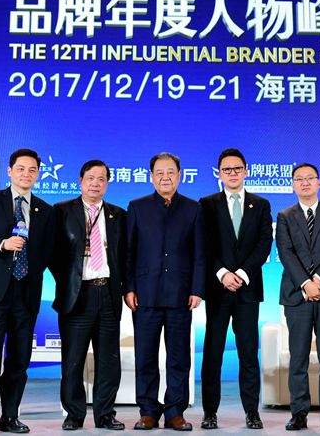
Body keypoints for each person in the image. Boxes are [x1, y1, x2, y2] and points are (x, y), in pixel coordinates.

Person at [0, 149, 55, 435]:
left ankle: (10, 416)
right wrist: (2, 244)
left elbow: (48, 252)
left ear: (38, 174)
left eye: (32, 170)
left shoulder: (45, 210)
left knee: (19, 359)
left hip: (27, 293)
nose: (26, 174)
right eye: (21, 169)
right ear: (9, 171)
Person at [125, 152, 205, 431]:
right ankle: (148, 411)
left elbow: (199, 254)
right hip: (145, 294)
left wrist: (197, 289)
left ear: (179, 175)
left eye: (170, 172)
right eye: (159, 172)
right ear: (151, 177)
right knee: (145, 356)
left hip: (181, 295)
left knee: (179, 358)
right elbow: (128, 252)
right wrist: (129, 288)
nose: (165, 177)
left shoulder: (193, 208)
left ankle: (175, 412)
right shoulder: (137, 207)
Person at [198, 148, 273, 430]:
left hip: (247, 290)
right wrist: (222, 274)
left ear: (246, 171)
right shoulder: (207, 204)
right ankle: (210, 413)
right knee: (213, 354)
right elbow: (204, 245)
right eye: (226, 169)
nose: (232, 173)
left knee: (248, 354)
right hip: (218, 290)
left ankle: (252, 412)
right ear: (219, 173)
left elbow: (264, 244)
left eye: (237, 168)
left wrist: (241, 274)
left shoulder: (261, 205)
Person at [53, 160, 126, 431]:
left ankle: (105, 414)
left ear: (107, 183)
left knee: (108, 361)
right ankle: (74, 414)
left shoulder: (118, 215)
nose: (95, 183)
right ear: (81, 181)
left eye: (101, 179)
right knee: (73, 360)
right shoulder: (62, 211)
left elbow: (125, 256)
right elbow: (52, 253)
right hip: (77, 295)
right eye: (91, 178)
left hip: (108, 293)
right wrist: (68, 280)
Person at [275, 163, 320, 433]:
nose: (305, 182)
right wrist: (306, 284)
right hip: (297, 295)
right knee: (298, 359)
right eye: (299, 179)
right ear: (293, 185)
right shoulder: (285, 216)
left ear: (319, 183)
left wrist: (318, 280)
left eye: (310, 178)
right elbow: (286, 253)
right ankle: (299, 414)